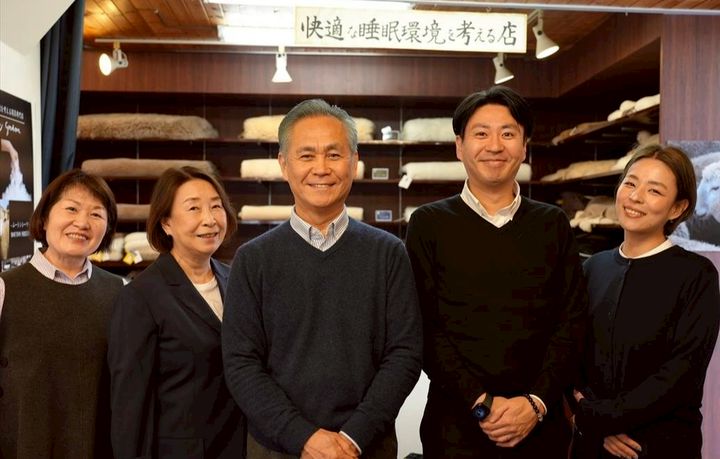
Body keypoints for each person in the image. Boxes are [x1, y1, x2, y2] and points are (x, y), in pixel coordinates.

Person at [222, 98, 422, 459]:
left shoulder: (389, 253)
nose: (321, 168)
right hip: (277, 448)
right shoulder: (253, 259)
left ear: (354, 163)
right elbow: (241, 364)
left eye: (334, 154)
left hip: (366, 447)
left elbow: (405, 354)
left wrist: (353, 437)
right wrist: (304, 437)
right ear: (284, 164)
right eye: (306, 155)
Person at [405, 85, 588, 458]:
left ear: (524, 146)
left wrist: (536, 402)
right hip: (455, 426)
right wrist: (481, 402)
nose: (494, 146)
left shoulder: (552, 223)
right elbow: (424, 327)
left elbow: (572, 322)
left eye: (507, 134)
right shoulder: (428, 223)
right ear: (460, 146)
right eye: (481, 133)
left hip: (540, 425)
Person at [572, 144, 720, 459]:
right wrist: (595, 422)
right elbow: (573, 354)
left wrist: (603, 418)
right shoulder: (593, 268)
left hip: (660, 444)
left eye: (654, 190)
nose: (636, 197)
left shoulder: (697, 275)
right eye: (630, 183)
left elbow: (682, 373)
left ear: (677, 208)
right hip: (593, 443)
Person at [108, 166, 246, 458]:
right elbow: (130, 404)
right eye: (194, 208)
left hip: (239, 447)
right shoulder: (141, 296)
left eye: (216, 206)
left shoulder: (236, 280)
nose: (209, 219)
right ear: (166, 223)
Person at [0, 169, 123, 458]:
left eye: (96, 214)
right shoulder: (6, 289)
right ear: (44, 218)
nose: (82, 223)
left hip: (97, 448)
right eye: (71, 209)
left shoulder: (120, 291)